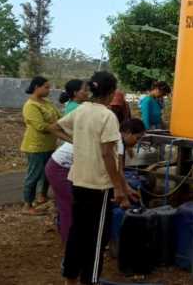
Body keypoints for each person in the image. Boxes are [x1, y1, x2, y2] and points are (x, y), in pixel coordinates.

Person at [48, 71, 139, 285]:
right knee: (97, 239)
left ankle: (70, 279)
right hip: (99, 186)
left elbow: (54, 127)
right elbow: (109, 154)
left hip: (78, 181)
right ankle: (90, 280)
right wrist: (118, 188)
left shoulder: (81, 110)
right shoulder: (107, 116)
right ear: (112, 92)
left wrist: (79, 141)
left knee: (77, 233)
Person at [45, 118, 146, 245]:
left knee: (74, 205)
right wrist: (124, 193)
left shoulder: (113, 135)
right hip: (60, 168)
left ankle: (74, 237)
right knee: (69, 207)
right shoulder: (117, 141)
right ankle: (71, 244)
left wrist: (127, 189)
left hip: (68, 168)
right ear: (128, 132)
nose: (136, 143)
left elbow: (117, 171)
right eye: (137, 138)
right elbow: (117, 171)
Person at [20, 76, 61, 215]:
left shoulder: (47, 103)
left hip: (49, 145)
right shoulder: (30, 105)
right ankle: (27, 205)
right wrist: (61, 129)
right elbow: (40, 126)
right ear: (37, 87)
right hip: (35, 146)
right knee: (34, 175)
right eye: (46, 87)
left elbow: (59, 116)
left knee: (47, 173)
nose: (49, 90)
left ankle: (41, 196)